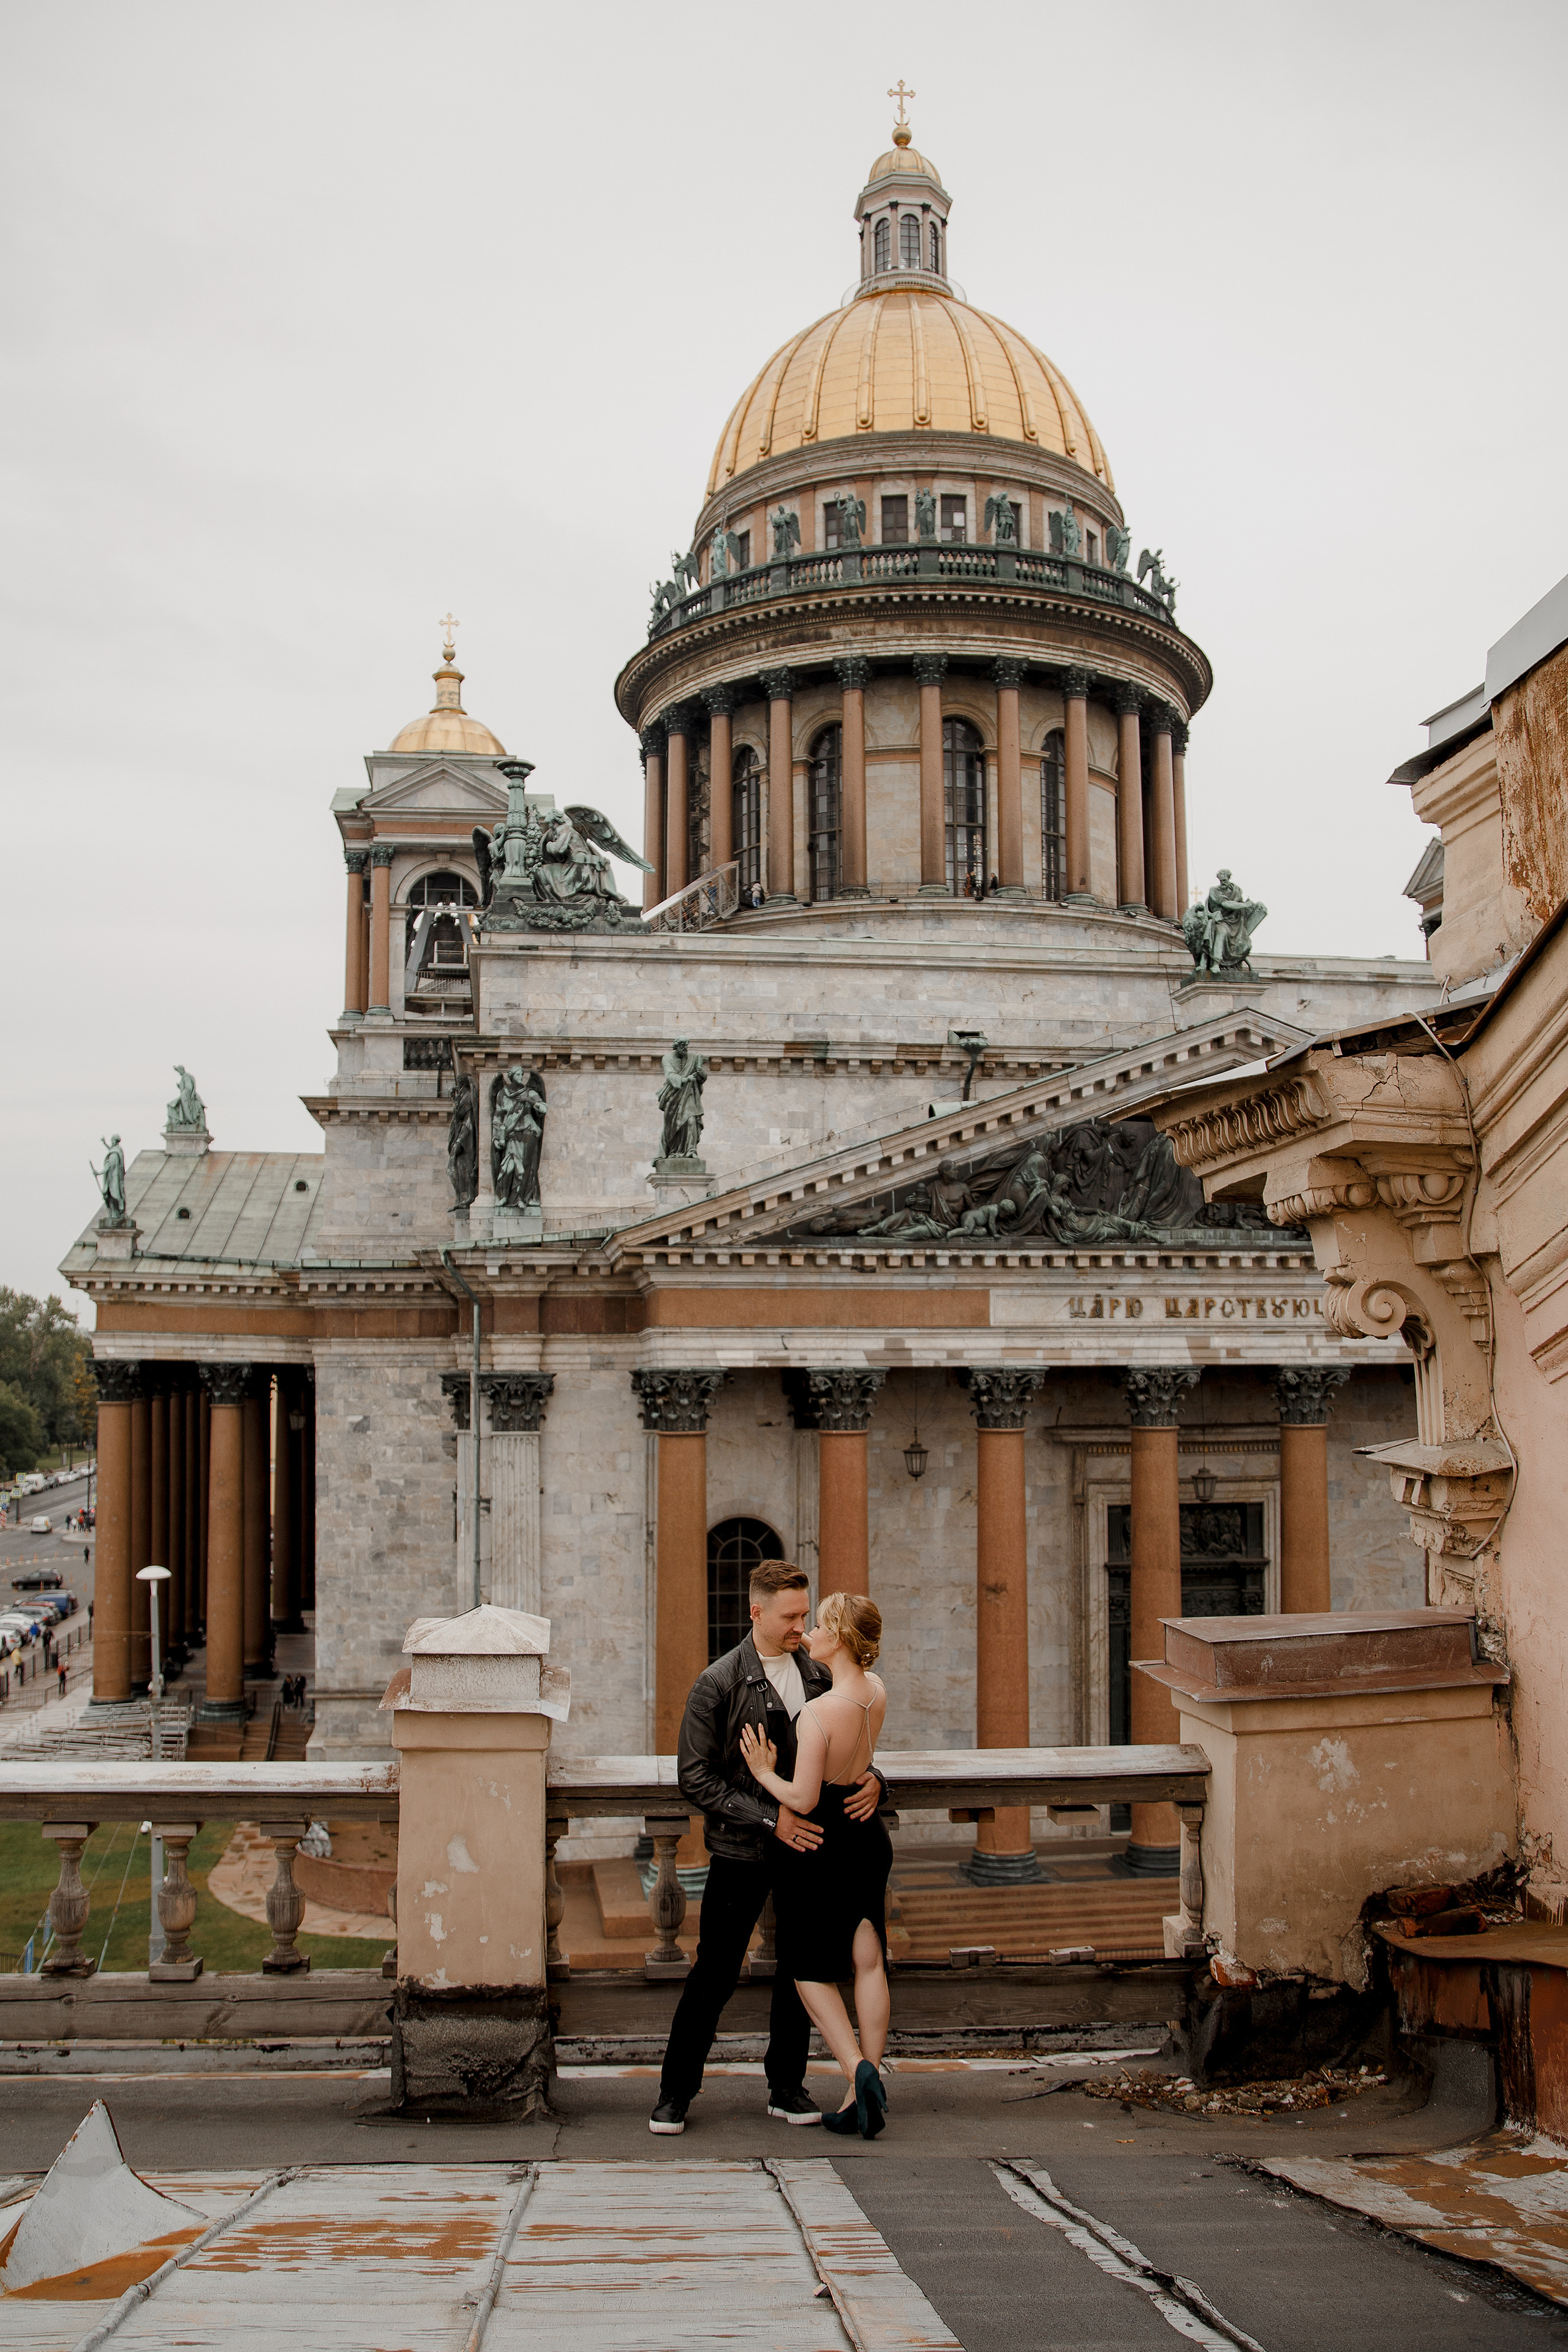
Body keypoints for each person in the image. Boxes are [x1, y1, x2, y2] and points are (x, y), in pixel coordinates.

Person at [649, 1560, 886, 2136]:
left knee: (797, 1969)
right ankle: (675, 2092)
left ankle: (787, 2086)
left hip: (812, 1850)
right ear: (755, 1611)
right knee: (715, 1972)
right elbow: (695, 1777)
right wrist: (767, 1818)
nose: (800, 1627)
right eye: (790, 1616)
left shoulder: (820, 1674)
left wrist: (879, 1779)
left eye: (806, 1615)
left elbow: (848, 1744)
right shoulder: (718, 1682)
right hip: (741, 1850)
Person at [739, 1592, 892, 2139]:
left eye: (820, 1626)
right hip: (866, 1833)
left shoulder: (818, 1713)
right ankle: (860, 2098)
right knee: (868, 1956)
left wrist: (762, 1772)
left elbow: (801, 1799)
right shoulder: (875, 1691)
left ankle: (858, 2071)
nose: (809, 1633)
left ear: (843, 1639)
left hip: (821, 1840)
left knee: (807, 1967)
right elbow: (865, 1760)